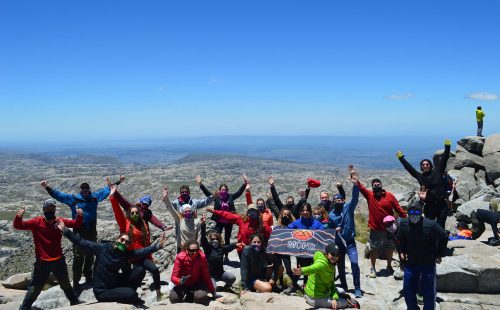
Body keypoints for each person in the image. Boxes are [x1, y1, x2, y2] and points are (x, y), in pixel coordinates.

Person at [58, 219, 168, 304]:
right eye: (122, 240)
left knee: (140, 270)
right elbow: (82, 242)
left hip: (114, 282)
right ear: (117, 239)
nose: (124, 243)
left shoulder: (123, 254)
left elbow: (140, 252)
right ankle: (129, 294)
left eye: (127, 243)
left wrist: (157, 246)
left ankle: (125, 292)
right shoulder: (102, 248)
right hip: (102, 290)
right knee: (132, 294)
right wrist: (65, 231)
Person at [40, 177, 122, 288]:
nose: (85, 190)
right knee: (78, 257)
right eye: (83, 188)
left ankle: (89, 278)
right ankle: (76, 282)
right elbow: (59, 195)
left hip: (92, 231)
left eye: (86, 188)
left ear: (89, 189)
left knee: (90, 255)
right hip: (79, 232)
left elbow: (106, 190)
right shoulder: (73, 199)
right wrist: (47, 188)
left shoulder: (94, 197)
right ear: (80, 189)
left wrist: (119, 181)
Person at [14, 199, 83, 310]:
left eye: (51, 208)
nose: (49, 210)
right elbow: (19, 226)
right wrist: (18, 216)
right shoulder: (37, 222)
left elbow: (76, 223)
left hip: (58, 260)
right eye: (47, 208)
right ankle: (25, 308)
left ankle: (74, 303)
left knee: (65, 284)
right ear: (44, 209)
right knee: (35, 288)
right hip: (43, 262)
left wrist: (79, 216)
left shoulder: (59, 221)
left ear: (54, 209)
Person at [109, 185, 164, 301]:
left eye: (136, 213)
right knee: (128, 276)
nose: (134, 214)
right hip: (126, 253)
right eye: (132, 213)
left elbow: (147, 239)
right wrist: (113, 196)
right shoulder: (125, 223)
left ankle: (159, 294)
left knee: (153, 269)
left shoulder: (143, 224)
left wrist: (163, 227)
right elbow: (118, 210)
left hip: (139, 254)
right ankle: (129, 295)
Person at [398, 187, 448, 310]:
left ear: (421, 214)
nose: (414, 216)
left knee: (428, 291)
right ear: (408, 213)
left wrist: (439, 254)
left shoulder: (430, 224)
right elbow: (401, 239)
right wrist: (402, 253)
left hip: (427, 262)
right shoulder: (404, 224)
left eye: (416, 213)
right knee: (408, 288)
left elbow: (444, 236)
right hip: (411, 262)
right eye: (411, 213)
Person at [397, 139, 451, 229]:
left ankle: (440, 242)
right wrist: (401, 158)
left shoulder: (438, 171)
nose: (425, 165)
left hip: (442, 205)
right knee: (429, 227)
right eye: (423, 164)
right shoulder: (420, 176)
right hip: (429, 206)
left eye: (427, 164)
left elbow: (444, 159)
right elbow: (409, 168)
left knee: (441, 226)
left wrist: (447, 147)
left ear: (430, 165)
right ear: (421, 167)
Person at [358, 177, 407, 278]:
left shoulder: (389, 196)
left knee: (390, 246)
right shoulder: (370, 195)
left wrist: (407, 219)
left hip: (389, 227)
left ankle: (389, 266)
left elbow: (398, 208)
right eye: (374, 185)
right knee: (373, 248)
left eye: (378, 184)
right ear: (372, 187)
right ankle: (372, 267)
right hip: (375, 228)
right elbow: (361, 188)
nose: (376, 186)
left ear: (381, 185)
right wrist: (355, 179)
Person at [328, 165, 362, 298]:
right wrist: (334, 230)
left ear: (343, 200)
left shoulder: (348, 207)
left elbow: (354, 198)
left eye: (339, 200)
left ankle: (357, 288)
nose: (338, 202)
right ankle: (344, 285)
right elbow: (329, 230)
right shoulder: (331, 215)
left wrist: (355, 184)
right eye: (335, 201)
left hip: (350, 242)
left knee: (354, 263)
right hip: (339, 244)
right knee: (340, 267)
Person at [293, 243, 360, 309]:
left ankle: (336, 297)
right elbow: (313, 268)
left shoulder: (331, 264)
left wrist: (334, 298)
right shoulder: (322, 263)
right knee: (343, 303)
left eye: (337, 255)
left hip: (323, 291)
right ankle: (345, 302)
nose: (335, 257)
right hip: (314, 298)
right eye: (332, 254)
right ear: (327, 254)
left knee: (341, 290)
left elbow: (331, 284)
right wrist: (302, 271)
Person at [200, 174, 248, 260]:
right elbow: (207, 194)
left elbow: (239, 192)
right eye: (222, 189)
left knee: (227, 238)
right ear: (219, 190)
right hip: (219, 221)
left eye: (225, 189)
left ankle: (226, 255)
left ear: (227, 190)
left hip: (229, 221)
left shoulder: (230, 197)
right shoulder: (217, 197)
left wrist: (244, 184)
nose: (224, 191)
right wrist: (201, 184)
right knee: (216, 236)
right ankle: (216, 253)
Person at [286, 202, 324, 295]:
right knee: (300, 267)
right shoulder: (297, 223)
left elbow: (323, 233)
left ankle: (306, 285)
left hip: (313, 252)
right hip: (301, 252)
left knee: (311, 268)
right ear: (300, 212)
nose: (305, 212)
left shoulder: (316, 224)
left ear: (310, 211)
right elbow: (287, 230)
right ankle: (294, 285)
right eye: (303, 210)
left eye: (307, 210)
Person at [206, 204, 272, 258]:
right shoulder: (242, 220)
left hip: (257, 250)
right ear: (247, 212)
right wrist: (215, 211)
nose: (252, 213)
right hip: (242, 249)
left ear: (258, 213)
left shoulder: (261, 224)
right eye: (250, 211)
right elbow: (228, 215)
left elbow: (270, 235)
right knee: (245, 268)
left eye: (254, 211)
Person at [170, 239, 216, 305]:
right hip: (184, 284)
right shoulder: (180, 257)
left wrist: (212, 291)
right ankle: (190, 294)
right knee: (174, 299)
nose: (194, 253)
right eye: (191, 250)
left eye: (196, 250)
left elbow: (206, 275)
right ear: (186, 248)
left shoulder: (202, 257)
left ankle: (192, 295)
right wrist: (179, 281)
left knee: (200, 298)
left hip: (197, 282)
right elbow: (173, 277)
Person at [200, 221, 240, 290]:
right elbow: (203, 238)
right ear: (209, 240)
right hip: (210, 275)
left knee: (232, 278)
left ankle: (226, 287)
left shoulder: (222, 248)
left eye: (216, 239)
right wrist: (203, 225)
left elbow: (229, 247)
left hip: (220, 273)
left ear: (219, 239)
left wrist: (236, 244)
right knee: (214, 288)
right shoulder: (207, 247)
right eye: (212, 239)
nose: (214, 240)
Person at [163, 186, 202, 253]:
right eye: (185, 211)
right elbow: (171, 209)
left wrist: (197, 246)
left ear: (192, 211)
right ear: (182, 212)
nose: (187, 212)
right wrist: (166, 198)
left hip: (193, 247)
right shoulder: (180, 220)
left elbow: (199, 235)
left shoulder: (197, 221)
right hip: (182, 247)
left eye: (189, 211)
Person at [271, 208, 296, 291]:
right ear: (281, 215)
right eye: (284, 214)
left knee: (288, 268)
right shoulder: (276, 227)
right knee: (278, 267)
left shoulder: (292, 227)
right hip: (277, 251)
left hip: (286, 250)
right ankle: (281, 283)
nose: (286, 216)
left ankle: (293, 284)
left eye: (288, 215)